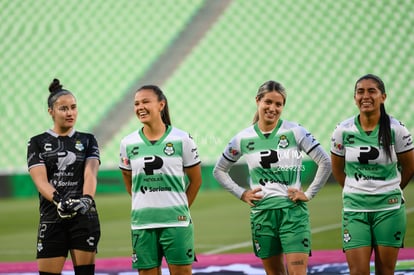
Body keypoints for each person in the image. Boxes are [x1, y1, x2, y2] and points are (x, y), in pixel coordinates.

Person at [213, 80, 332, 275]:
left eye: (279, 104)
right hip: (262, 215)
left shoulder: (295, 131)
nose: (273, 108)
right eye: (268, 102)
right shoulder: (242, 138)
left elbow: (325, 162)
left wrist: (309, 194)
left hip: (293, 213)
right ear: (258, 101)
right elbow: (219, 170)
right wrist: (242, 194)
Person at [330, 74, 414, 274]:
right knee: (358, 272)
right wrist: (355, 190)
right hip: (355, 209)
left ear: (383, 97)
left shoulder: (397, 129)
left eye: (371, 91)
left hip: (389, 209)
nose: (365, 96)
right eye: (360, 91)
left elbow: (409, 167)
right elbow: (337, 169)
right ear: (355, 98)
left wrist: (389, 189)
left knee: (385, 272)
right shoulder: (343, 130)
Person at [119, 85, 202, 275]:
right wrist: (145, 202)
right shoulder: (127, 143)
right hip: (142, 224)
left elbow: (196, 181)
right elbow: (128, 179)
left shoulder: (182, 139)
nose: (140, 107)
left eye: (146, 101)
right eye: (136, 103)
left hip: (177, 223)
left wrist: (180, 208)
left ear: (161, 105)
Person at [27, 79, 101, 275]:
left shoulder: (88, 140)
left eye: (73, 107)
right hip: (52, 218)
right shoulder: (37, 142)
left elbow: (90, 173)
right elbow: (40, 180)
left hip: (84, 217)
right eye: (63, 108)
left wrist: (86, 200)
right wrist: (59, 201)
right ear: (51, 111)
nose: (70, 113)